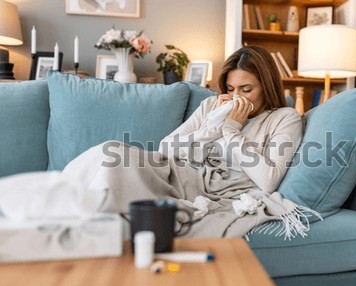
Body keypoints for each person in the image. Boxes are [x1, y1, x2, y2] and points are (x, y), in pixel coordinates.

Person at [62, 45, 309, 238]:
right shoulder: (213, 105)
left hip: (198, 187)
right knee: (109, 152)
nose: (236, 98)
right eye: (231, 88)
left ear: (266, 86)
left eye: (246, 90)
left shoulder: (283, 118)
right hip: (173, 170)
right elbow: (165, 149)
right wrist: (211, 130)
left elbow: (268, 181)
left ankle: (92, 231)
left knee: (114, 169)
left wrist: (232, 131)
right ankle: (69, 218)